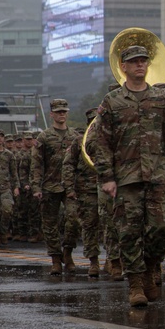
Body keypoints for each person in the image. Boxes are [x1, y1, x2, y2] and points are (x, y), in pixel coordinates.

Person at [93, 45, 165, 307]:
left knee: (163, 228)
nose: (140, 65)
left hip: (158, 176)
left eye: (143, 61)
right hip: (126, 179)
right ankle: (135, 284)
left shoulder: (161, 99)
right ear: (123, 66)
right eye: (134, 61)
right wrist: (107, 178)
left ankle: (150, 269)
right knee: (129, 233)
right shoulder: (112, 102)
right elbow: (103, 144)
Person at [32, 99, 80, 275]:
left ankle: (67, 252)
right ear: (51, 114)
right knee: (50, 224)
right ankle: (55, 259)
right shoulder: (44, 137)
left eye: (64, 111)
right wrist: (36, 187)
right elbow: (37, 164)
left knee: (73, 219)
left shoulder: (75, 136)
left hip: (70, 187)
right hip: (50, 186)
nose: (62, 114)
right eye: (58, 112)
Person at [62, 109, 103, 277]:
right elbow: (68, 165)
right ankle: (93, 261)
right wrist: (69, 188)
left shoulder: (109, 139)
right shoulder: (79, 142)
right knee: (89, 225)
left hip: (108, 189)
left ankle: (115, 261)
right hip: (87, 191)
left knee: (112, 227)